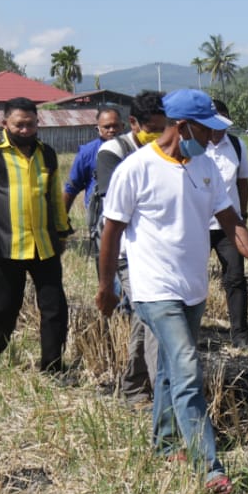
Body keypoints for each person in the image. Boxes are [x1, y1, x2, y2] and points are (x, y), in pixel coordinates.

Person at [95, 89, 248, 494]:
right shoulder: (136, 169)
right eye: (207, 129)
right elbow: (111, 233)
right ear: (182, 126)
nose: (214, 138)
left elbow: (232, 223)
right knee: (188, 368)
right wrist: (107, 286)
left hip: (192, 288)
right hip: (153, 289)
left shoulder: (206, 167)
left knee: (169, 372)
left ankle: (163, 443)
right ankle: (209, 466)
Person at [0, 97, 72, 372]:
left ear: (37, 123)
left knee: (55, 307)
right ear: (4, 123)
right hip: (7, 245)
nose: (24, 130)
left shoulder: (47, 153)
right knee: (5, 307)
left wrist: (62, 229)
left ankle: (53, 366)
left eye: (30, 124)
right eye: (18, 125)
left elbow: (55, 198)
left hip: (45, 246)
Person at [92, 90, 166, 405]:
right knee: (151, 317)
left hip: (156, 249)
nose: (160, 134)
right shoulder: (113, 152)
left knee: (144, 315)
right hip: (125, 251)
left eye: (165, 127)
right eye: (153, 128)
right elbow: (118, 205)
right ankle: (156, 390)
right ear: (133, 124)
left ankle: (135, 386)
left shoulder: (168, 149)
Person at [205, 99, 248, 347]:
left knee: (235, 278)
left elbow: (242, 181)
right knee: (192, 279)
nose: (217, 126)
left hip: (229, 226)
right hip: (199, 225)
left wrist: (242, 214)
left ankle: (240, 334)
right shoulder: (194, 147)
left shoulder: (236, 145)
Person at [63, 106, 124, 255]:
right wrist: (61, 221)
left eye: (115, 126)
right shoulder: (88, 152)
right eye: (106, 127)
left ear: (123, 126)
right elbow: (72, 188)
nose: (111, 130)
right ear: (97, 129)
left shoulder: (132, 149)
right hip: (100, 219)